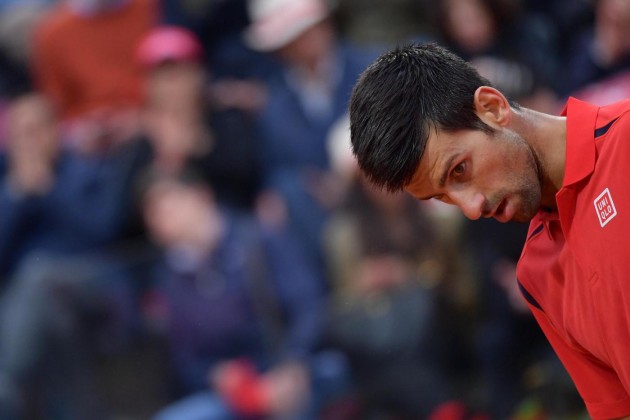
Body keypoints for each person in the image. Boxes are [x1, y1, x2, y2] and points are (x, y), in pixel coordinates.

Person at [349, 42, 630, 419]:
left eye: (460, 170)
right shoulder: (536, 273)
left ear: (492, 108)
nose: (470, 207)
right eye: (441, 196)